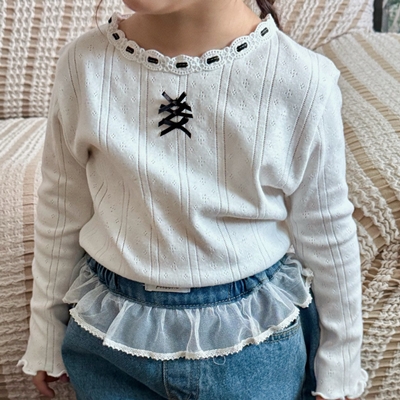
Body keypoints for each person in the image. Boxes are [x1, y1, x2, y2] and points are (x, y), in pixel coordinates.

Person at [18, 0, 368, 399]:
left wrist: (341, 359)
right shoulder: (83, 64)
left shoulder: (303, 79)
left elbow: (327, 231)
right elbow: (61, 207)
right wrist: (46, 330)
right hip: (108, 340)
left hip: (252, 350)